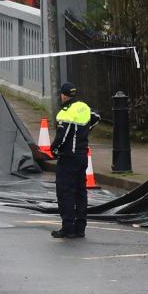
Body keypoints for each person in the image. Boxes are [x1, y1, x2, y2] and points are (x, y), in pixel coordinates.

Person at [50, 82, 100, 239]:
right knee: (80, 191)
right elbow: (96, 117)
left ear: (64, 95)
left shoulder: (65, 113)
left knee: (65, 192)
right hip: (82, 156)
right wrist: (83, 133)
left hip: (68, 157)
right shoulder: (83, 107)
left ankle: (68, 227)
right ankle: (80, 227)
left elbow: (61, 137)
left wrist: (53, 150)